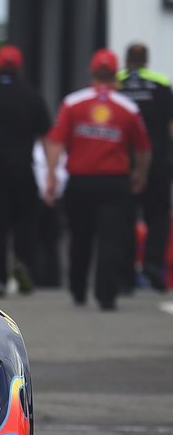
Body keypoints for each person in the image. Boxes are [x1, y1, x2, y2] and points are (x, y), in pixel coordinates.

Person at [44, 49, 151, 311]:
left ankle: (78, 289)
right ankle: (106, 295)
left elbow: (56, 143)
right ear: (116, 74)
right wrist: (140, 174)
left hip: (80, 180)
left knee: (80, 236)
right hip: (114, 182)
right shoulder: (128, 107)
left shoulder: (72, 103)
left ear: (92, 72)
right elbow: (143, 149)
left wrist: (51, 176)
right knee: (110, 239)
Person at [0, 44, 51, 295]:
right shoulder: (32, 95)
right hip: (22, 170)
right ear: (20, 66)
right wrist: (50, 172)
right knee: (26, 224)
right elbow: (46, 136)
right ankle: (23, 266)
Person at [115, 42, 173, 292]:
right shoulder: (161, 84)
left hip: (123, 164)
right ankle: (151, 263)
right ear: (146, 60)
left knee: (125, 218)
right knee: (158, 216)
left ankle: (126, 276)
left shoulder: (117, 84)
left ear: (126, 60)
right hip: (158, 161)